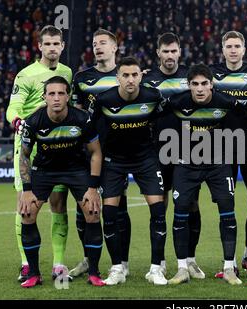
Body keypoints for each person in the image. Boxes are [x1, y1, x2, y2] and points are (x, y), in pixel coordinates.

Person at [18, 76, 103, 288]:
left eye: (61, 93)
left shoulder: (83, 119)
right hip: (45, 171)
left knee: (93, 212)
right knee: (27, 214)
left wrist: (93, 188)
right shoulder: (33, 121)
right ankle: (34, 274)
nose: (56, 98)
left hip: (76, 170)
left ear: (68, 97)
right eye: (52, 94)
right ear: (44, 97)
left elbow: (96, 153)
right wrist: (27, 190)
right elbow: (24, 156)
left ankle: (94, 272)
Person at [163, 63, 242, 286]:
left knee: (228, 211)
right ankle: (182, 269)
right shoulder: (176, 102)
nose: (200, 89)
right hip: (186, 165)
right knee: (180, 212)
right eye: (195, 84)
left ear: (211, 85)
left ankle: (229, 268)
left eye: (204, 84)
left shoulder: (226, 102)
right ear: (188, 86)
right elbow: (155, 115)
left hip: (218, 164)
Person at [91, 56, 167, 285]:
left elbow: (166, 121)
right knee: (110, 215)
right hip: (114, 161)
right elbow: (91, 132)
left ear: (141, 76)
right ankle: (117, 269)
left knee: (159, 212)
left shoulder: (153, 97)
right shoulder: (104, 100)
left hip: (146, 159)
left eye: (135, 75)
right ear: (118, 78)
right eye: (125, 75)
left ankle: (156, 269)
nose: (130, 79)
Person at [6, 25, 73, 282]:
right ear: (40, 47)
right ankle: (26, 263)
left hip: (58, 146)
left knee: (58, 204)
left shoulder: (67, 73)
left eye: (57, 44)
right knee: (24, 204)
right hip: (28, 146)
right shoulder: (26, 75)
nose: (53, 48)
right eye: (48, 44)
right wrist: (19, 123)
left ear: (62, 46)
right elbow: (13, 107)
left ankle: (58, 263)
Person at [69, 29, 132, 279]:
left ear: (115, 48)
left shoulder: (125, 76)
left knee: (120, 208)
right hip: (87, 152)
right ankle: (88, 258)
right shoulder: (82, 78)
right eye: (94, 44)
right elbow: (76, 112)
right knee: (84, 206)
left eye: (103, 43)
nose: (97, 47)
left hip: (117, 152)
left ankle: (123, 262)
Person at [142, 32, 204, 280]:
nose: (169, 55)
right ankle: (160, 262)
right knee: (160, 206)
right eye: (165, 51)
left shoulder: (191, 78)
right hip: (157, 150)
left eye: (173, 51)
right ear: (158, 52)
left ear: (180, 52)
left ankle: (190, 259)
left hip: (189, 148)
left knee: (191, 204)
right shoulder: (147, 80)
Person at [209, 30, 247, 278]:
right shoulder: (212, 73)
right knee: (226, 203)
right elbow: (186, 80)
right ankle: (229, 262)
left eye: (237, 46)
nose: (233, 50)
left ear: (244, 49)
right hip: (222, 145)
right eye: (229, 46)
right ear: (222, 49)